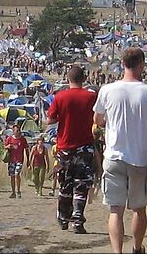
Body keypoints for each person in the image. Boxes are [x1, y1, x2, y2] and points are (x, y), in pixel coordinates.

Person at [93, 48, 147, 253]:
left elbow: (97, 119)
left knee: (115, 210)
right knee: (139, 208)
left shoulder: (107, 90)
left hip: (114, 155)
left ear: (122, 64)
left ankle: (117, 251)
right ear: (141, 65)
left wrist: (108, 121)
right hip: (139, 157)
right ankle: (137, 246)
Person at [47, 65, 99, 234]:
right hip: (85, 147)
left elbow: (50, 120)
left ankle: (63, 218)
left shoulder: (60, 96)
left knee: (65, 184)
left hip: (65, 147)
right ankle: (78, 219)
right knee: (82, 185)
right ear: (83, 79)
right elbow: (99, 117)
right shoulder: (91, 97)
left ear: (68, 79)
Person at [4, 124, 30, 198]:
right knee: (12, 176)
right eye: (16, 130)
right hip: (11, 160)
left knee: (17, 174)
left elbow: (27, 149)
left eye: (19, 130)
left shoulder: (22, 139)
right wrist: (8, 146)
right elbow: (5, 146)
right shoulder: (9, 139)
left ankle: (18, 191)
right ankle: (13, 192)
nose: (18, 132)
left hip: (19, 160)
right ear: (13, 131)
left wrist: (28, 160)